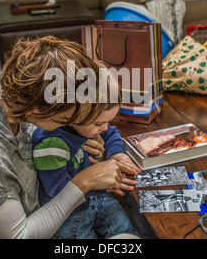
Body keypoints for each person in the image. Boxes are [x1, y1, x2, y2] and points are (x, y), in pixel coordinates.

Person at [0, 36, 138, 239]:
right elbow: (19, 237)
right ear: (35, 109)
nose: (73, 122)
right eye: (66, 118)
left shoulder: (10, 96)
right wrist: (84, 182)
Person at [32, 69, 141, 239]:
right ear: (75, 113)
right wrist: (103, 183)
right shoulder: (51, 143)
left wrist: (115, 155)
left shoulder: (90, 123)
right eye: (100, 123)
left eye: (107, 121)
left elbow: (111, 133)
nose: (105, 127)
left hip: (96, 197)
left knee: (126, 228)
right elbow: (60, 194)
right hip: (67, 213)